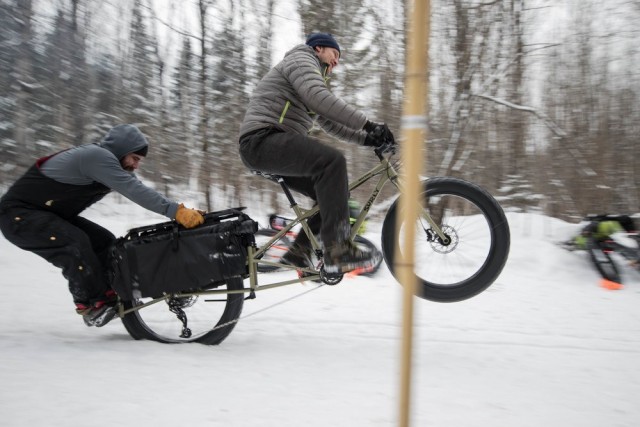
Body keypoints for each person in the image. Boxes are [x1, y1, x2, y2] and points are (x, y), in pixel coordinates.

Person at [0, 124, 205, 327]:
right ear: (122, 151)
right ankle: (91, 304)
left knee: (105, 242)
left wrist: (180, 211)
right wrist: (176, 211)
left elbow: (139, 189)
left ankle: (112, 293)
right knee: (74, 243)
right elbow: (133, 189)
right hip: (18, 216)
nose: (136, 165)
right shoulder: (96, 157)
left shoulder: (110, 165)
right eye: (135, 158)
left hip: (48, 214)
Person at [238, 32, 395, 274]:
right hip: (262, 140)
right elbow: (319, 98)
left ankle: (298, 254)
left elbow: (331, 124)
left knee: (332, 194)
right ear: (319, 48)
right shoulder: (301, 60)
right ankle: (339, 250)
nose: (336, 61)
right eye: (335, 54)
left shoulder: (307, 77)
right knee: (332, 163)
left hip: (269, 145)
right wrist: (367, 123)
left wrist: (368, 139)